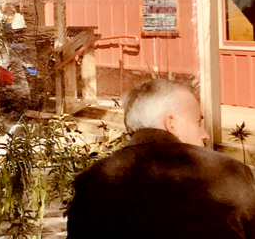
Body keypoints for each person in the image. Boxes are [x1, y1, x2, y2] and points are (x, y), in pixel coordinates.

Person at [67, 78, 255, 239]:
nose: (205, 134)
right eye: (198, 123)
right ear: (171, 124)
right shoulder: (230, 173)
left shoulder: (92, 181)